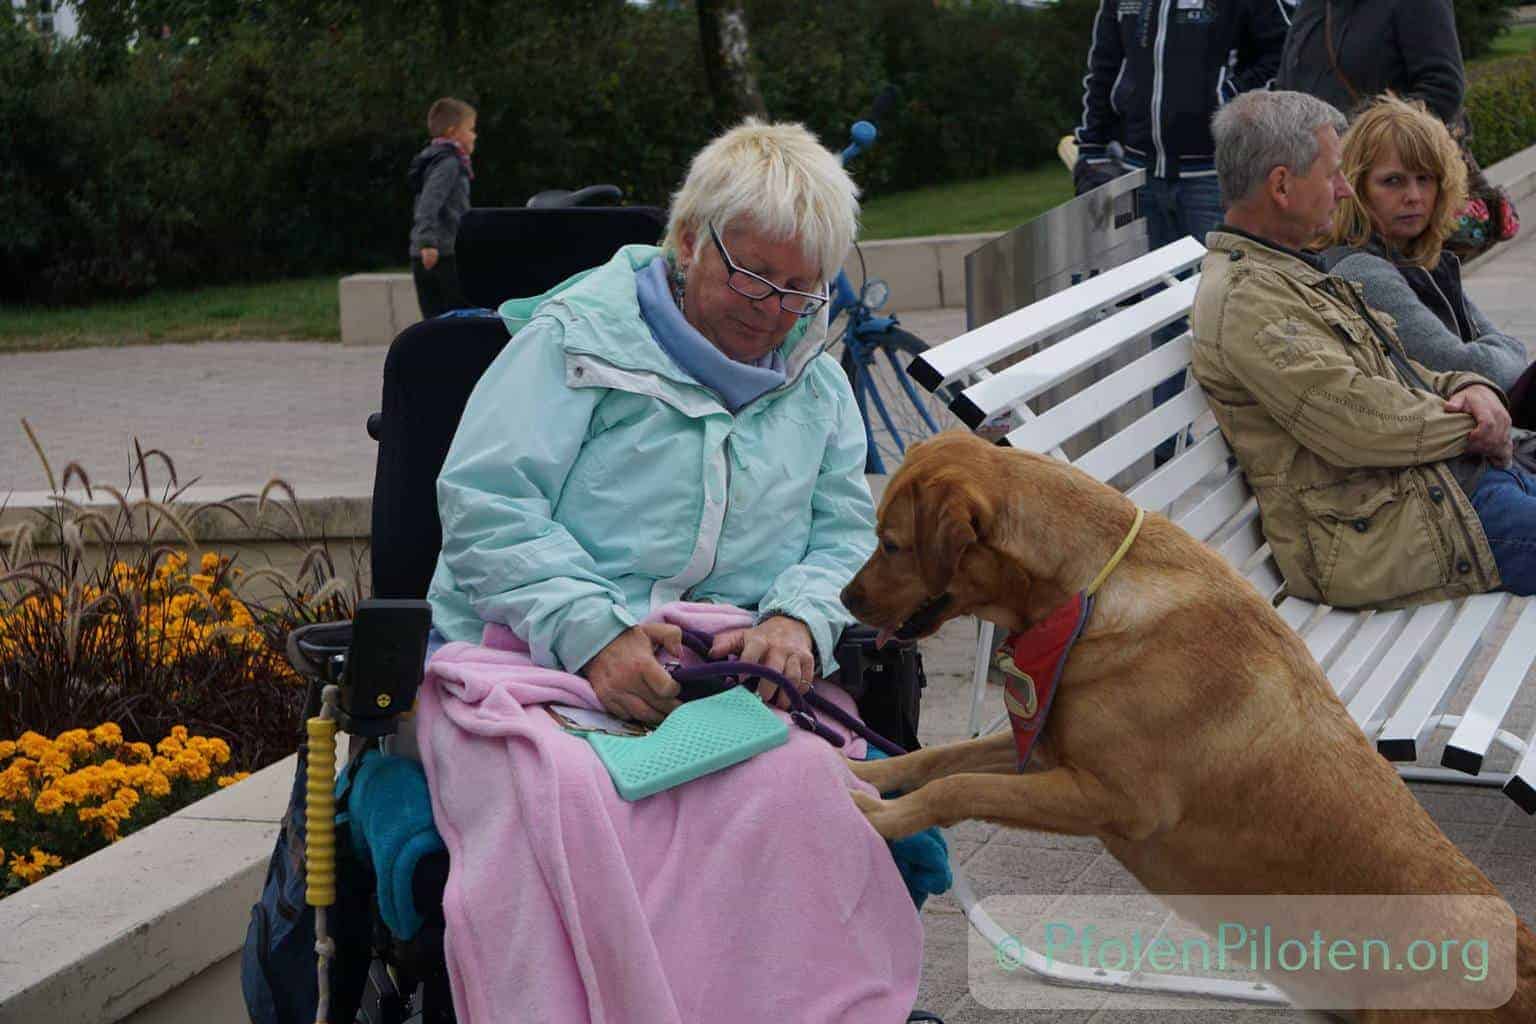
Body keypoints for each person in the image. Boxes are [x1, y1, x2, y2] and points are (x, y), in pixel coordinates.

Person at [418, 120, 924, 1019]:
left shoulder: (815, 380)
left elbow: (846, 532)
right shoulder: (574, 342)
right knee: (571, 804)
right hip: (542, 658)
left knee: (804, 793)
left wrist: (797, 621)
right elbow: (486, 505)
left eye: (801, 292)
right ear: (689, 240)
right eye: (752, 275)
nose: (772, 311)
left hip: (723, 682)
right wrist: (592, 633)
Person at [1190, 89, 1536, 609]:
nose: (1345, 190)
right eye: (1332, 174)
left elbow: (1400, 366)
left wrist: (1466, 384)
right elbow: (1358, 420)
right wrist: (1478, 422)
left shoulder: (1287, 273)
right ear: (1282, 185)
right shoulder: (1250, 300)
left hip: (1439, 494)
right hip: (1394, 536)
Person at [1073, 0, 1290, 462]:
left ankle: (1248, 445)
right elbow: (1104, 65)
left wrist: (1226, 94)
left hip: (1211, 175)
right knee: (1162, 316)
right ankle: (1168, 448)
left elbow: (1282, 50)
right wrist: (1090, 146)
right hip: (1141, 172)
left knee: (1231, 311)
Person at [1320, 95, 1534, 424]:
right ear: (1357, 186)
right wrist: (1503, 350)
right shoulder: (1362, 269)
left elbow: (1498, 354)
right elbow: (1471, 365)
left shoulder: (1414, 255)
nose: (1414, 196)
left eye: (1425, 179)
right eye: (1393, 181)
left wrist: (1499, 351)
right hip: (1437, 450)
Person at [1276, 0, 1464, 124]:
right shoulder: (1311, 7)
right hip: (1327, 175)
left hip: (1399, 171)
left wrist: (1368, 141)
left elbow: (1443, 88)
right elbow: (1284, 91)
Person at [408, 97, 476, 319]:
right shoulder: (449, 163)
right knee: (455, 320)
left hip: (435, 251)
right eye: (471, 129)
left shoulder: (434, 158)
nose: (474, 135)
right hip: (441, 254)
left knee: (436, 321)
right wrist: (427, 242)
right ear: (453, 132)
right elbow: (429, 201)